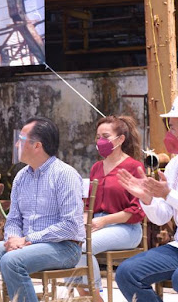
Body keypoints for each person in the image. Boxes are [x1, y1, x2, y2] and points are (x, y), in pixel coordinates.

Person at [0, 117, 85, 302]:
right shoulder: (21, 176)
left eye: (21, 139)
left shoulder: (65, 175)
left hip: (64, 247)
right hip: (25, 245)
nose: (16, 144)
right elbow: (13, 219)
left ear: (37, 145)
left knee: (12, 261)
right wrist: (13, 239)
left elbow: (70, 226)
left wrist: (27, 239)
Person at [70, 115, 144, 301]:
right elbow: (89, 205)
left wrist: (103, 220)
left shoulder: (134, 167)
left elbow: (136, 210)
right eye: (98, 137)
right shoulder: (96, 167)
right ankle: (84, 295)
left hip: (126, 228)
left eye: (105, 136)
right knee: (68, 244)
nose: (100, 141)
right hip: (97, 225)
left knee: (84, 247)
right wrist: (83, 222)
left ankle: (96, 298)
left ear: (120, 139)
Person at [115, 97, 178, 301]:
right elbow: (162, 217)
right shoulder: (175, 165)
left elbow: (169, 197)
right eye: (171, 127)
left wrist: (167, 194)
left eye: (174, 128)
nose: (170, 134)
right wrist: (147, 198)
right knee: (127, 273)